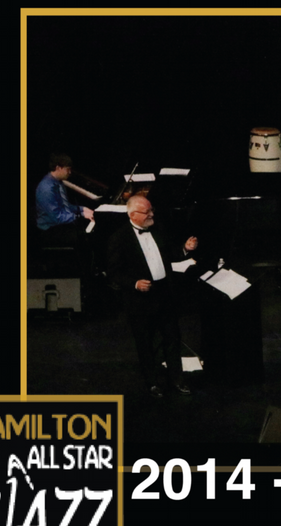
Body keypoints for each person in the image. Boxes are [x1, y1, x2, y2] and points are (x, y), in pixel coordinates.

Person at [106, 195, 198, 397]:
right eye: (146, 212)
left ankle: (177, 379)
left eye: (151, 210)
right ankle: (152, 383)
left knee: (172, 339)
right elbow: (113, 272)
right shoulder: (119, 238)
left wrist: (185, 249)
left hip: (164, 293)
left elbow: (169, 253)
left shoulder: (157, 229)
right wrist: (134, 283)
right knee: (146, 343)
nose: (151, 214)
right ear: (132, 215)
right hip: (140, 300)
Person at [35, 152, 95, 245]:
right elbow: (57, 217)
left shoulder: (58, 182)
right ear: (58, 168)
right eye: (68, 169)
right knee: (86, 238)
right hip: (50, 230)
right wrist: (81, 215)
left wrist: (82, 209)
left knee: (90, 229)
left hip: (59, 224)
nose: (70, 172)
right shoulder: (46, 189)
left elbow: (64, 207)